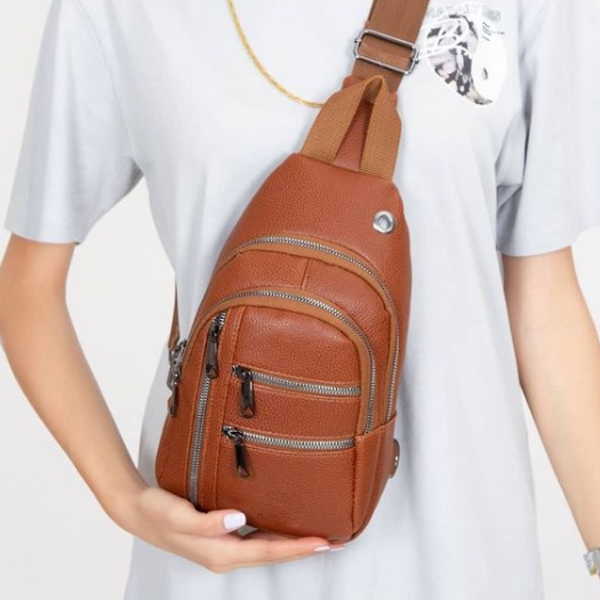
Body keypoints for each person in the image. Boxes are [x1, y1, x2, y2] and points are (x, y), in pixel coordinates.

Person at [1, 0, 600, 598]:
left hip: (463, 553)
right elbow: (28, 287)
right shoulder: (116, 12)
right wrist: (126, 500)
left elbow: (543, 305)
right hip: (217, 560)